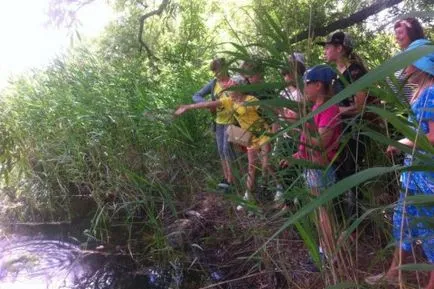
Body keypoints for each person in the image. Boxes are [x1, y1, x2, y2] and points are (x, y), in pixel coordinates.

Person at [365, 39, 434, 289]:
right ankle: (395, 272)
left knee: (429, 228)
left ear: (419, 65)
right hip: (414, 171)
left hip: (427, 174)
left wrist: (401, 141)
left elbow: (433, 136)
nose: (404, 70)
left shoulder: (432, 92)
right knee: (402, 221)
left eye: (408, 64)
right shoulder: (422, 92)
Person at [175, 80, 274, 211]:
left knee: (266, 164)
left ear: (238, 88)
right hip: (252, 138)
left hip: (263, 134)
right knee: (251, 168)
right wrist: (188, 107)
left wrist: (275, 129)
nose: (228, 93)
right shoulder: (230, 101)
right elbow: (208, 104)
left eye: (230, 90)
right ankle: (248, 197)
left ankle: (279, 188)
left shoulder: (251, 99)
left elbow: (268, 114)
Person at [281, 64, 342, 260]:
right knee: (319, 211)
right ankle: (326, 247)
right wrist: (296, 157)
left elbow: (321, 143)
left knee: (322, 211)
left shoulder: (329, 109)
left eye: (307, 83)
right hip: (312, 166)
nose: (304, 88)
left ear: (318, 85)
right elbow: (308, 143)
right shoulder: (317, 107)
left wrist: (300, 125)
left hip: (320, 168)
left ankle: (328, 252)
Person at [318, 31, 369, 221]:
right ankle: (339, 218)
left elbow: (360, 106)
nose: (325, 50)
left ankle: (356, 222)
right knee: (338, 173)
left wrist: (334, 111)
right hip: (336, 132)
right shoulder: (331, 75)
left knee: (352, 174)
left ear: (340, 49)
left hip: (354, 131)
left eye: (328, 46)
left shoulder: (356, 71)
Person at [192, 58, 236, 190]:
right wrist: (207, 105)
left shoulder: (234, 82)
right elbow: (196, 95)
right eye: (214, 71)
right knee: (221, 151)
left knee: (227, 150)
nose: (216, 73)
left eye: (217, 70)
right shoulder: (213, 84)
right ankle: (226, 178)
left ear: (225, 68)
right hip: (218, 122)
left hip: (233, 121)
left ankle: (232, 180)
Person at [390, 17, 426, 102]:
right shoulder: (398, 56)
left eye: (400, 33)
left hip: (423, 108)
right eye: (396, 33)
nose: (396, 37)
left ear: (412, 32)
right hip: (402, 111)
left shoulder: (424, 53)